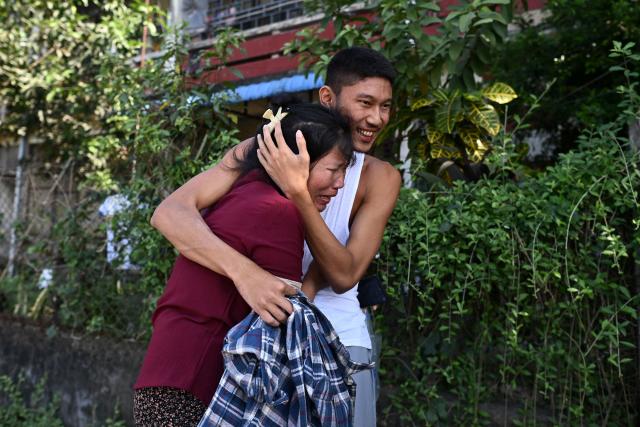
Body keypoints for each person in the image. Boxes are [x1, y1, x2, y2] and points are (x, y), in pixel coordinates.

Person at [151, 46, 401, 426]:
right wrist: (245, 274)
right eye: (366, 102)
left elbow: (346, 273)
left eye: (385, 106)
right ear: (328, 98)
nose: (376, 118)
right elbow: (171, 212)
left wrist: (298, 192)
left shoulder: (379, 177)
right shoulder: (265, 146)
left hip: (339, 345)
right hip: (259, 344)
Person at [133, 103, 354, 426]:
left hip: (165, 383)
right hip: (199, 388)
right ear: (296, 161)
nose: (340, 183)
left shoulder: (241, 190)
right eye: (334, 169)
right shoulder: (277, 211)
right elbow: (283, 328)